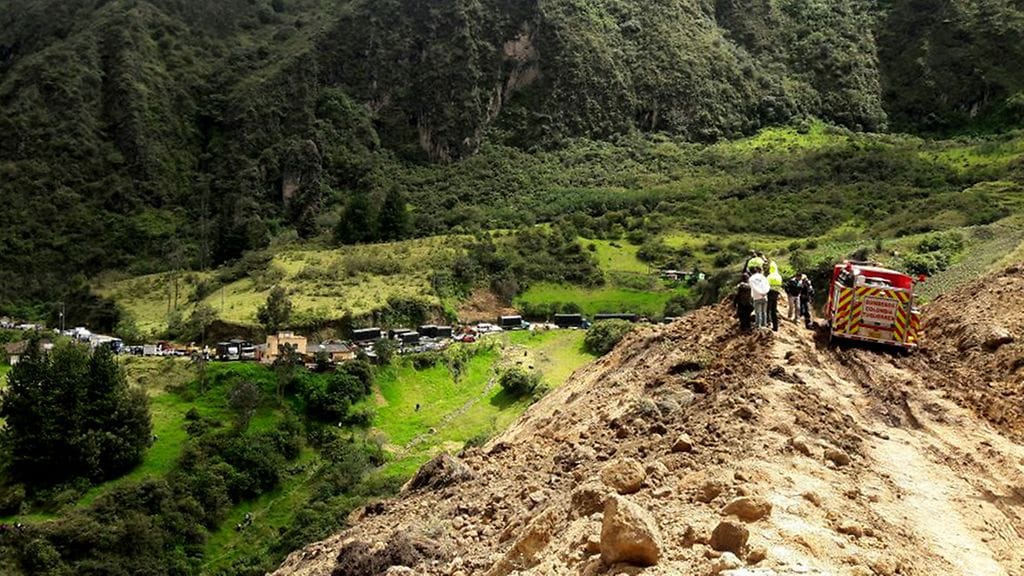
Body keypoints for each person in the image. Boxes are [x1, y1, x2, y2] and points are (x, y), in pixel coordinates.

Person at [767, 261, 783, 332]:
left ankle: (768, 323)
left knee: (767, 310)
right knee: (774, 311)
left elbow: (766, 286)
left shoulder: (769, 276)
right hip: (776, 294)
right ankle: (775, 327)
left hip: (769, 293)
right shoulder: (779, 276)